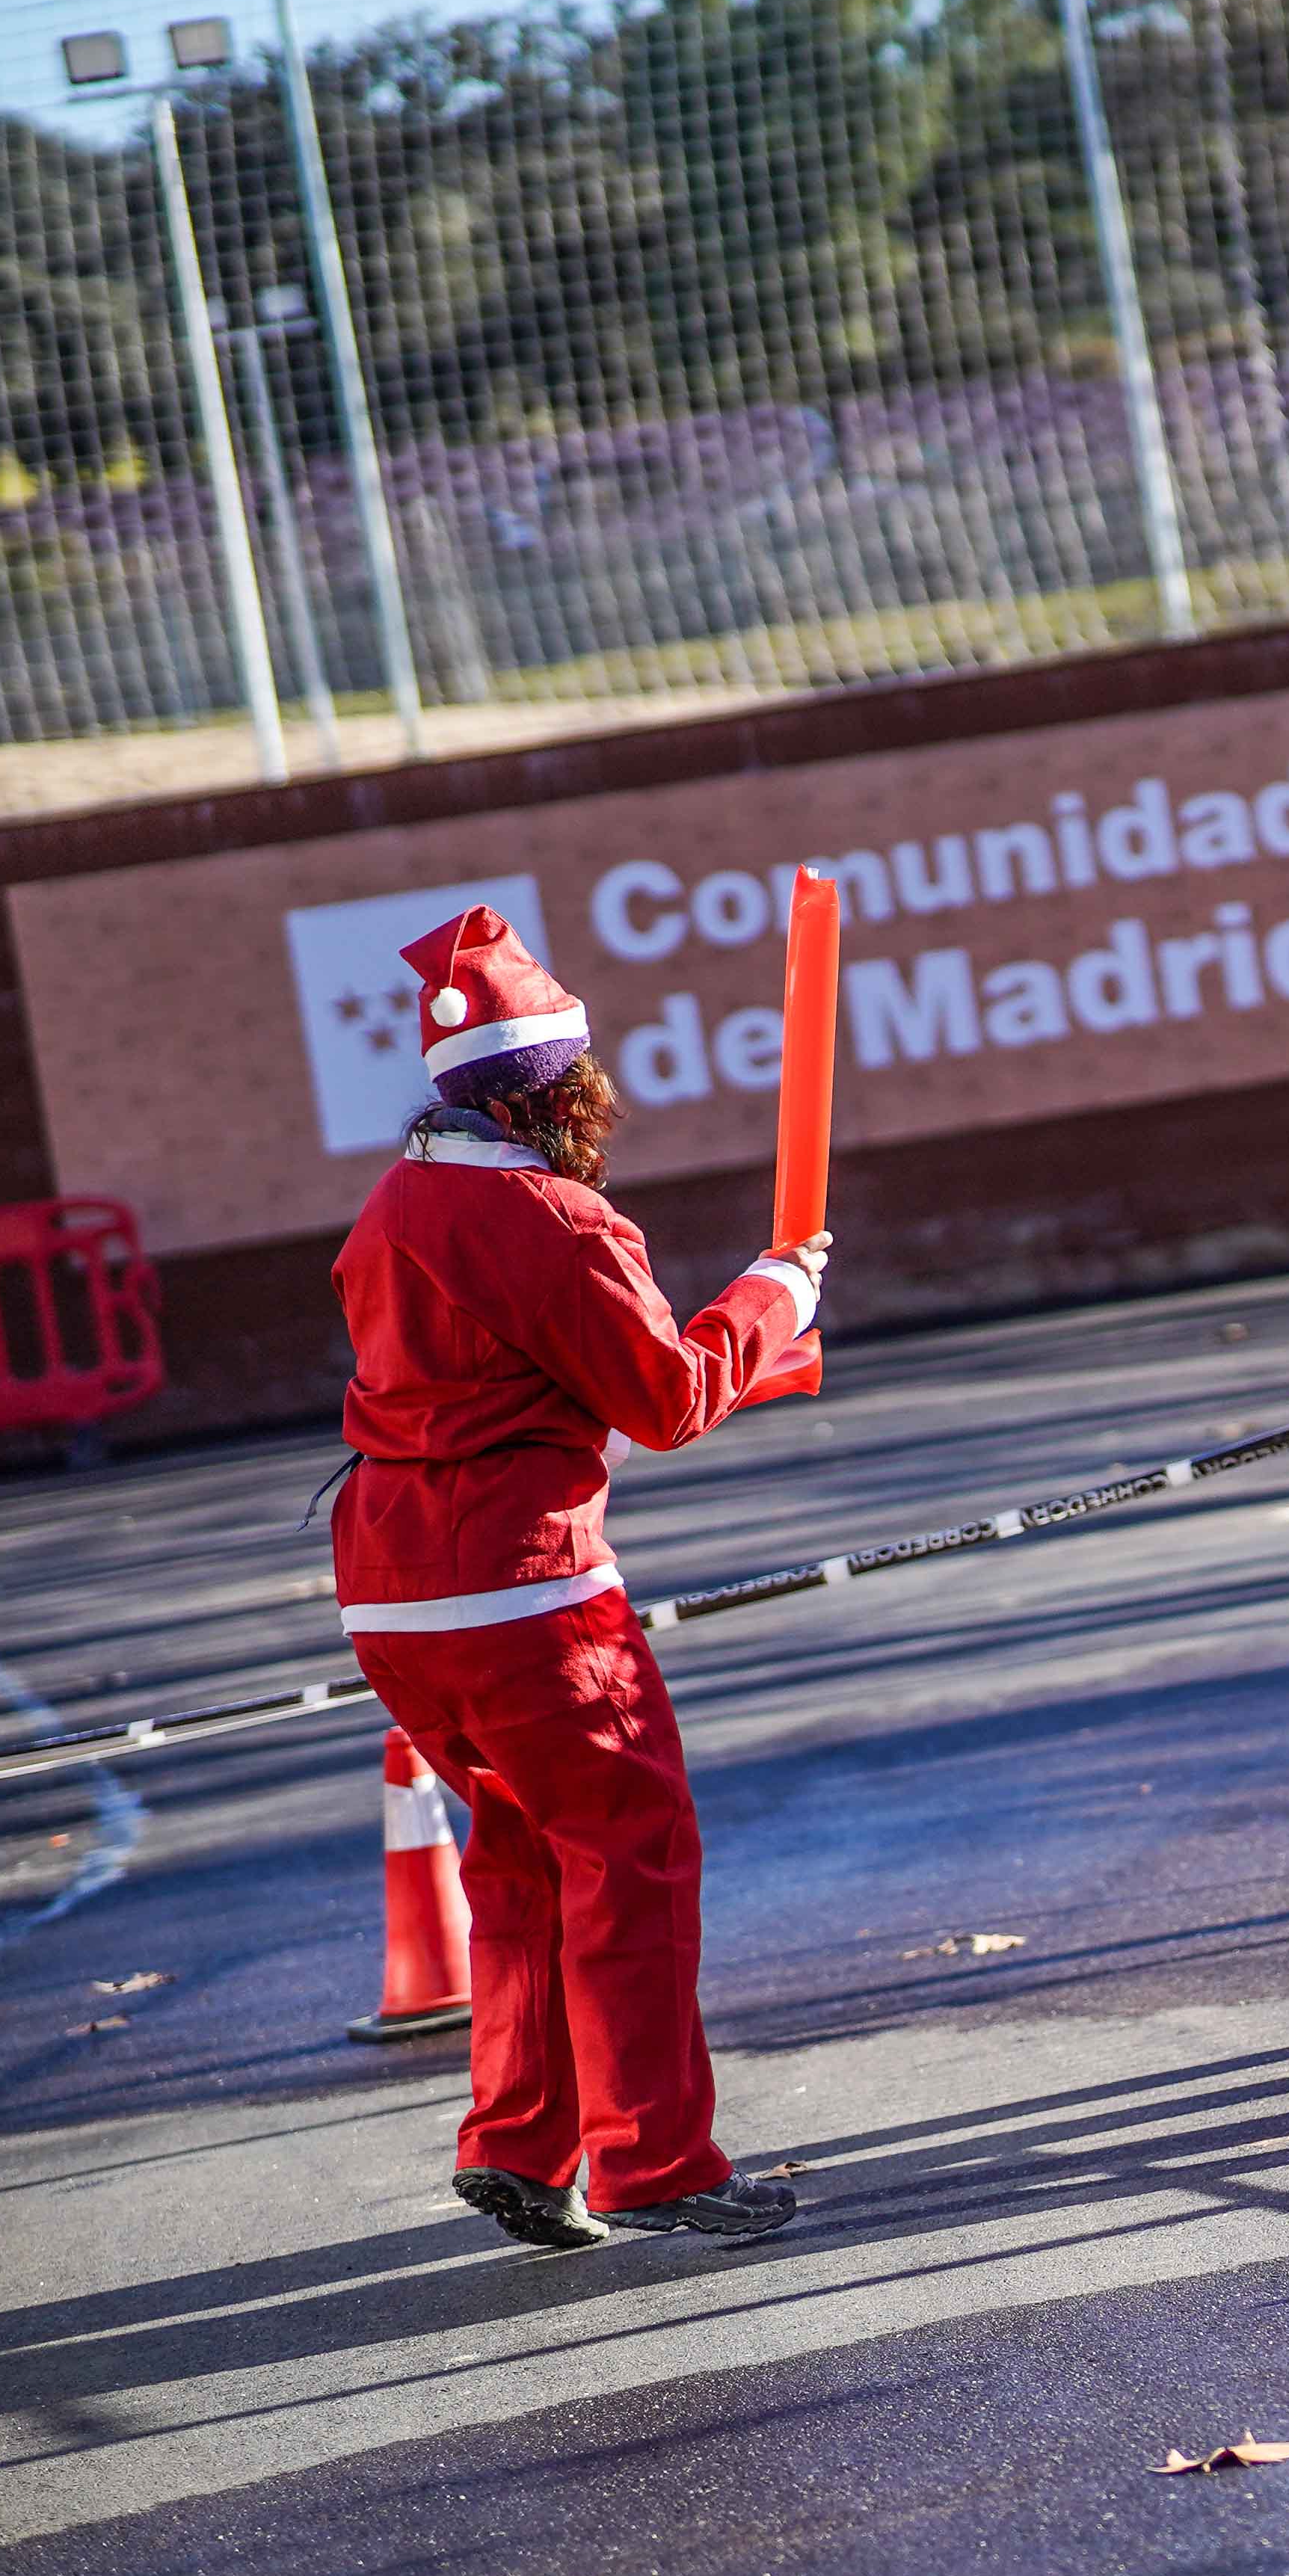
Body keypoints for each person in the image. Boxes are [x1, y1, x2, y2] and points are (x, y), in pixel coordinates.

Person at [331, 906, 825, 2249]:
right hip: (524, 1590)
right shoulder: (555, 1217)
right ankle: (654, 2160)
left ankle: (522, 2137)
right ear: (562, 1091)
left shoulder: (391, 1208)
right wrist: (776, 1295)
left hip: (389, 1590)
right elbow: (665, 1396)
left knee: (523, 1861)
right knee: (630, 1850)